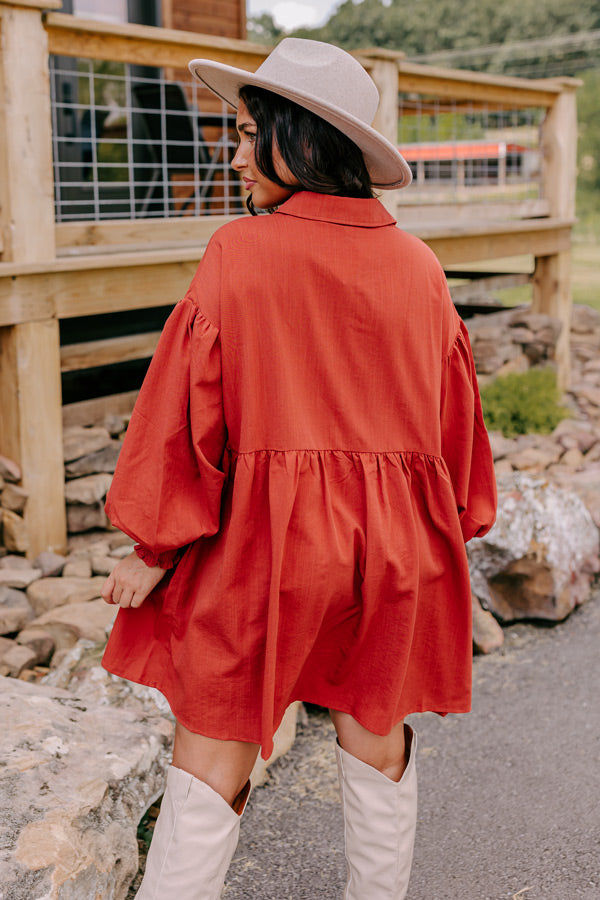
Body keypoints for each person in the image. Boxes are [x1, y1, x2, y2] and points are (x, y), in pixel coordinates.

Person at [101, 38, 497, 900]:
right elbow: (456, 431)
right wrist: (452, 526)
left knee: (212, 748)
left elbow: (186, 420)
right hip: (396, 551)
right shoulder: (423, 270)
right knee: (375, 734)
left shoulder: (239, 255)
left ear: (300, 137)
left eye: (247, 134)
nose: (235, 155)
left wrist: (152, 546)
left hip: (266, 550)